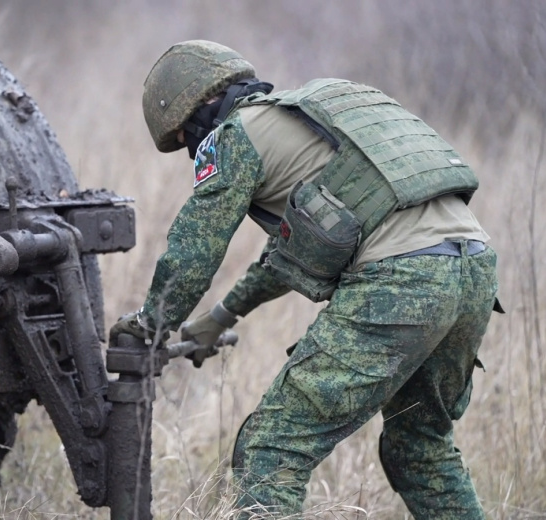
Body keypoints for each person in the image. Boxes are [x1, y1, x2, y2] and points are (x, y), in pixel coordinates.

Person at [109, 40, 501, 519]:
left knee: (271, 449)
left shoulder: (232, 136)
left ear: (193, 113)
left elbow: (196, 245)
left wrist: (152, 322)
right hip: (474, 269)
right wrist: (222, 315)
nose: (188, 147)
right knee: (420, 448)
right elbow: (298, 248)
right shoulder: (311, 119)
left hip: (401, 282)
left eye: (182, 138)